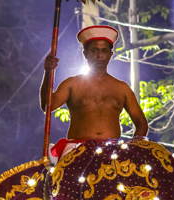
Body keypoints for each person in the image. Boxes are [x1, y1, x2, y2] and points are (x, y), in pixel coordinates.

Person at [41, 25, 148, 157]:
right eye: (94, 50)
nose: (100, 55)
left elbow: (141, 123)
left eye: (104, 50)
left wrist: (132, 150)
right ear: (85, 54)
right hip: (77, 150)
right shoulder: (72, 84)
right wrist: (48, 72)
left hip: (112, 152)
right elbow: (47, 106)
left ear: (110, 54)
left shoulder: (122, 88)